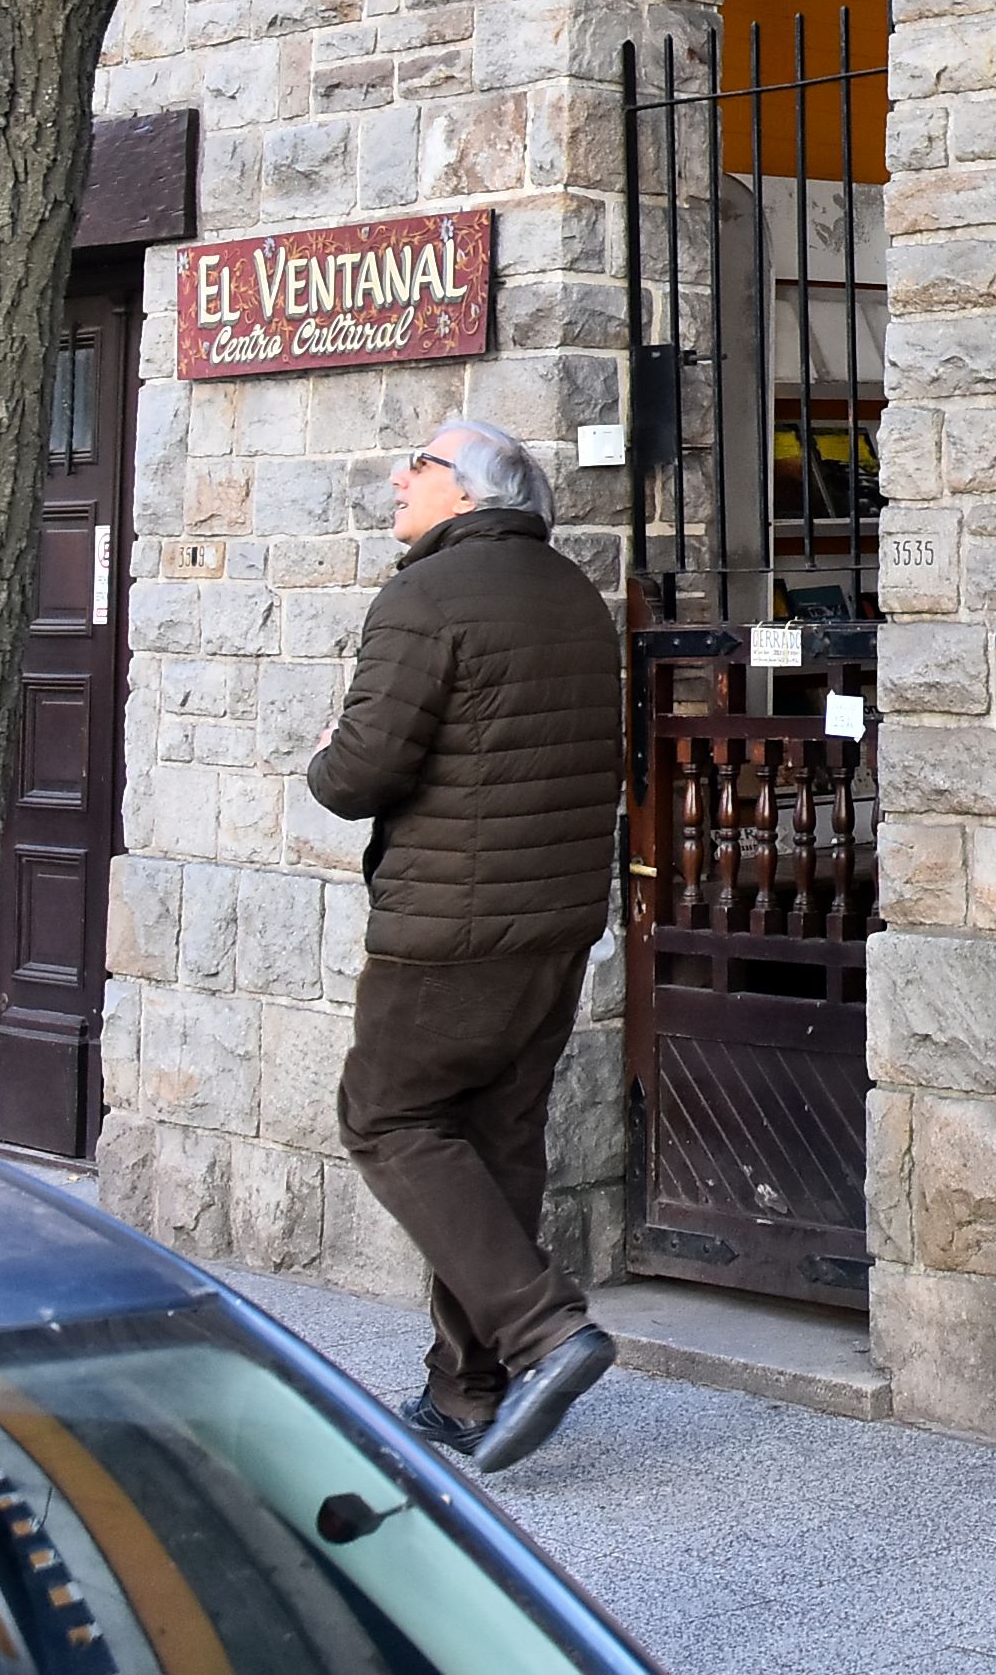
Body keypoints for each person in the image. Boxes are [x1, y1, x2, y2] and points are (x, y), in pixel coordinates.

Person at [309, 416, 623, 1470]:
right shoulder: (574, 596)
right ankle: (465, 1392)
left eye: (422, 465)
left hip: (447, 926)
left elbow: (361, 774)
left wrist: (323, 755)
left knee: (387, 1116)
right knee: (492, 1146)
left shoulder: (425, 595)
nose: (399, 477)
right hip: (556, 922)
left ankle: (544, 1329)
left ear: (474, 493)